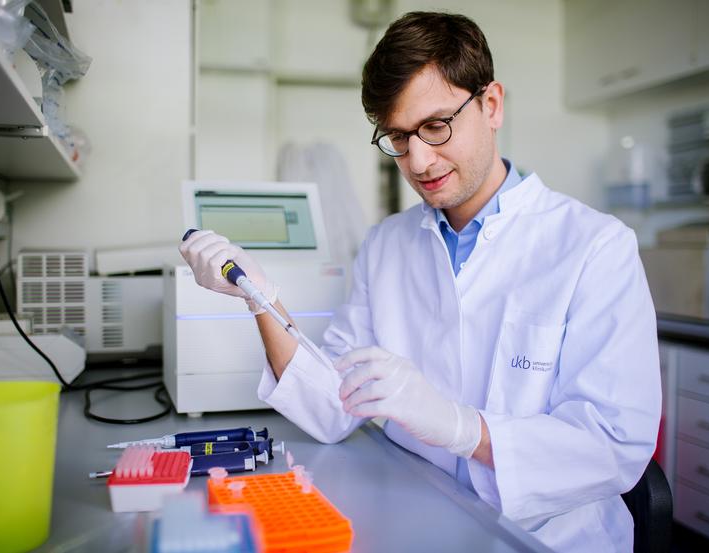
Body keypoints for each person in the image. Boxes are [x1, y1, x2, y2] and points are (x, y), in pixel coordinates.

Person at [180, 11, 661, 553]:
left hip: (548, 538)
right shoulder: (387, 245)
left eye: (436, 126)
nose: (419, 161)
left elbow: (614, 446)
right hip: (416, 514)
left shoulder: (594, 247)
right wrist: (259, 298)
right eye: (399, 137)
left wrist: (460, 428)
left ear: (492, 104)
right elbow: (334, 404)